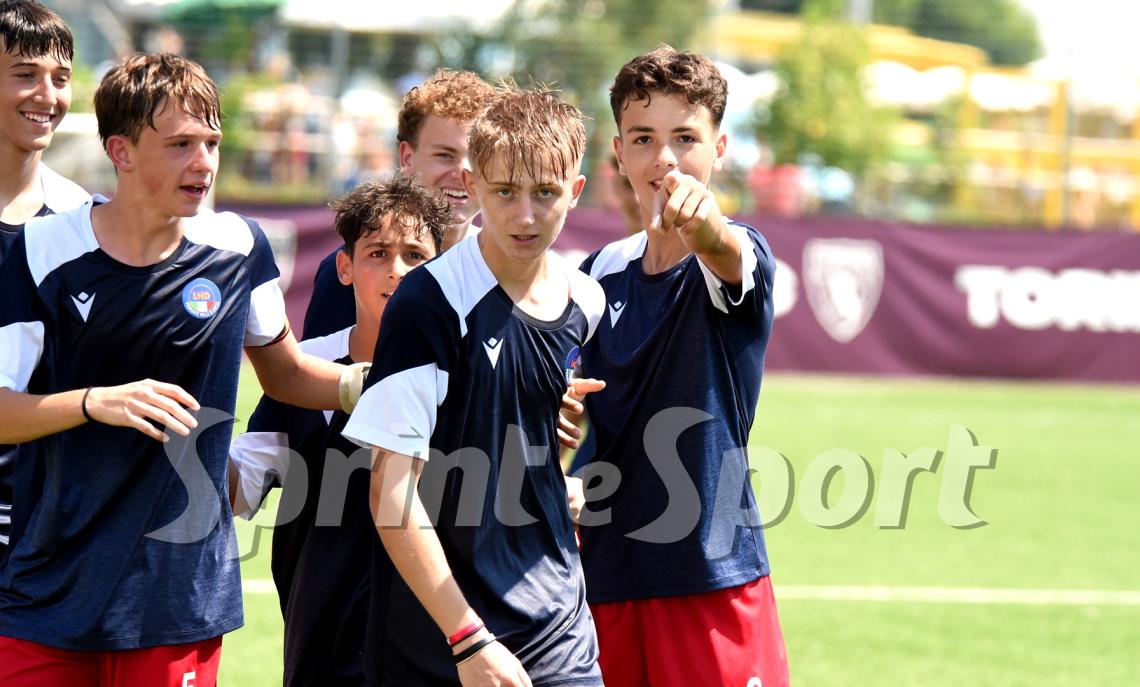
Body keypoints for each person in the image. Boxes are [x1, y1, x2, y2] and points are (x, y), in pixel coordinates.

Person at [0, 53, 360, 687]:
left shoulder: (238, 248)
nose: (205, 163)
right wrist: (92, 402)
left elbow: (288, 377)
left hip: (176, 599)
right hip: (45, 591)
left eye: (212, 143)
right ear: (122, 150)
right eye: (181, 145)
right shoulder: (39, 250)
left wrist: (389, 382)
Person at [342, 85, 605, 687]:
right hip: (441, 639)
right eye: (506, 192)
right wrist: (467, 641)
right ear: (476, 182)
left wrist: (553, 480)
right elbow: (391, 491)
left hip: (558, 626)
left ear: (577, 190)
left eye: (546, 192)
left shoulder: (585, 300)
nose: (526, 215)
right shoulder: (428, 302)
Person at [573, 46, 789, 687]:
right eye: (644, 139)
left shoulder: (738, 253)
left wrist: (706, 229)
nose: (664, 159)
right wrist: (571, 470)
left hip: (711, 579)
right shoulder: (597, 274)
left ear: (720, 148)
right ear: (619, 153)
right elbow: (584, 416)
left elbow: (724, 248)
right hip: (604, 575)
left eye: (685, 138)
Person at [228, 175, 450, 687]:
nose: (398, 271)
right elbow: (241, 489)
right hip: (323, 642)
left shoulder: (464, 369)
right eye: (378, 253)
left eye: (416, 255)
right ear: (345, 267)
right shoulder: (301, 369)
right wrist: (190, 436)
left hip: (434, 642)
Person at [303, 69, 498, 340]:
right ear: (407, 157)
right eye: (445, 155)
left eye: (477, 158)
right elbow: (316, 374)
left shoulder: (503, 270)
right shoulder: (360, 269)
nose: (463, 171)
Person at [0, 0, 89, 556]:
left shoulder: (82, 220)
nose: (47, 96)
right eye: (25, 75)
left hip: (43, 521)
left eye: (60, 78)